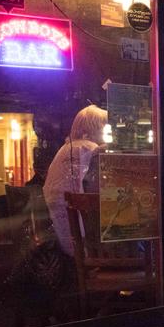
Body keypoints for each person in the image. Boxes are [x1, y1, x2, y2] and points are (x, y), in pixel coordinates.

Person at [43, 105, 107, 256]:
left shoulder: (65, 149)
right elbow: (98, 190)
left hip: (64, 235)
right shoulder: (90, 149)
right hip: (85, 243)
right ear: (98, 128)